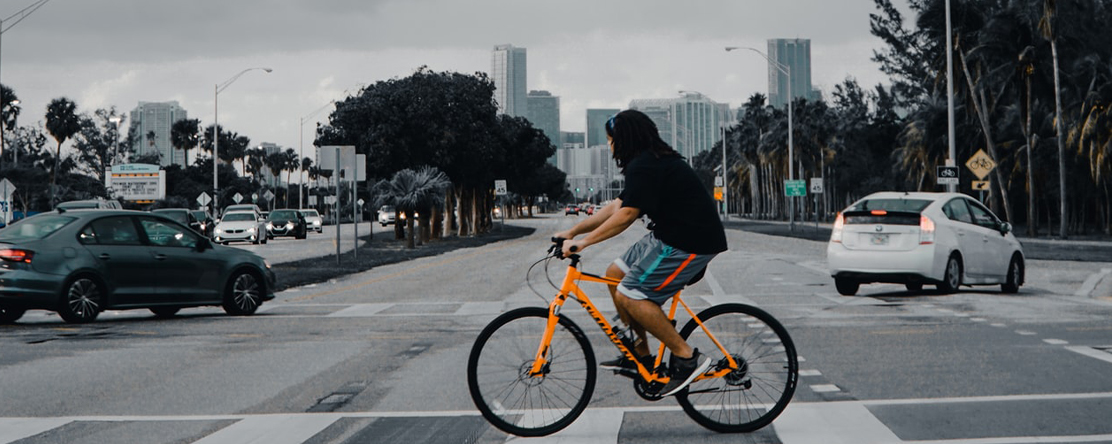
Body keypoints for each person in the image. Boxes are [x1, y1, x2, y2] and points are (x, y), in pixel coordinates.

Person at [553, 109, 728, 397]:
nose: (610, 147)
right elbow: (615, 208)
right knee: (615, 274)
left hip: (690, 242)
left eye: (611, 140)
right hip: (668, 236)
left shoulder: (647, 165)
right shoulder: (645, 164)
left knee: (631, 293)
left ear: (623, 140)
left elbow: (626, 217)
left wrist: (583, 244)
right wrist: (573, 232)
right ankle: (641, 355)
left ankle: (687, 357)